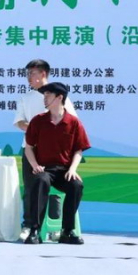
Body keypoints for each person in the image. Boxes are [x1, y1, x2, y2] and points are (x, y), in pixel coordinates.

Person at [13, 59, 78, 241]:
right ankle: (29, 226)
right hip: (31, 149)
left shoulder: (59, 96)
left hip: (56, 151)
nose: (29, 77)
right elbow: (19, 122)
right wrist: (37, 130)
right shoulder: (25, 98)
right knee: (31, 187)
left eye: (32, 73)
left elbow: (71, 121)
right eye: (27, 74)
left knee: (58, 187)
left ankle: (57, 227)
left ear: (43, 74)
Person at [23, 82, 89, 245]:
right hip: (44, 169)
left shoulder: (73, 122)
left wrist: (73, 169)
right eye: (44, 95)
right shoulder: (38, 120)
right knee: (40, 180)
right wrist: (35, 165)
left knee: (76, 185)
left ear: (59, 98)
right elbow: (29, 147)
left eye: (48, 95)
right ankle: (35, 230)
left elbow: (78, 150)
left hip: (64, 170)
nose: (44, 98)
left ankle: (67, 231)